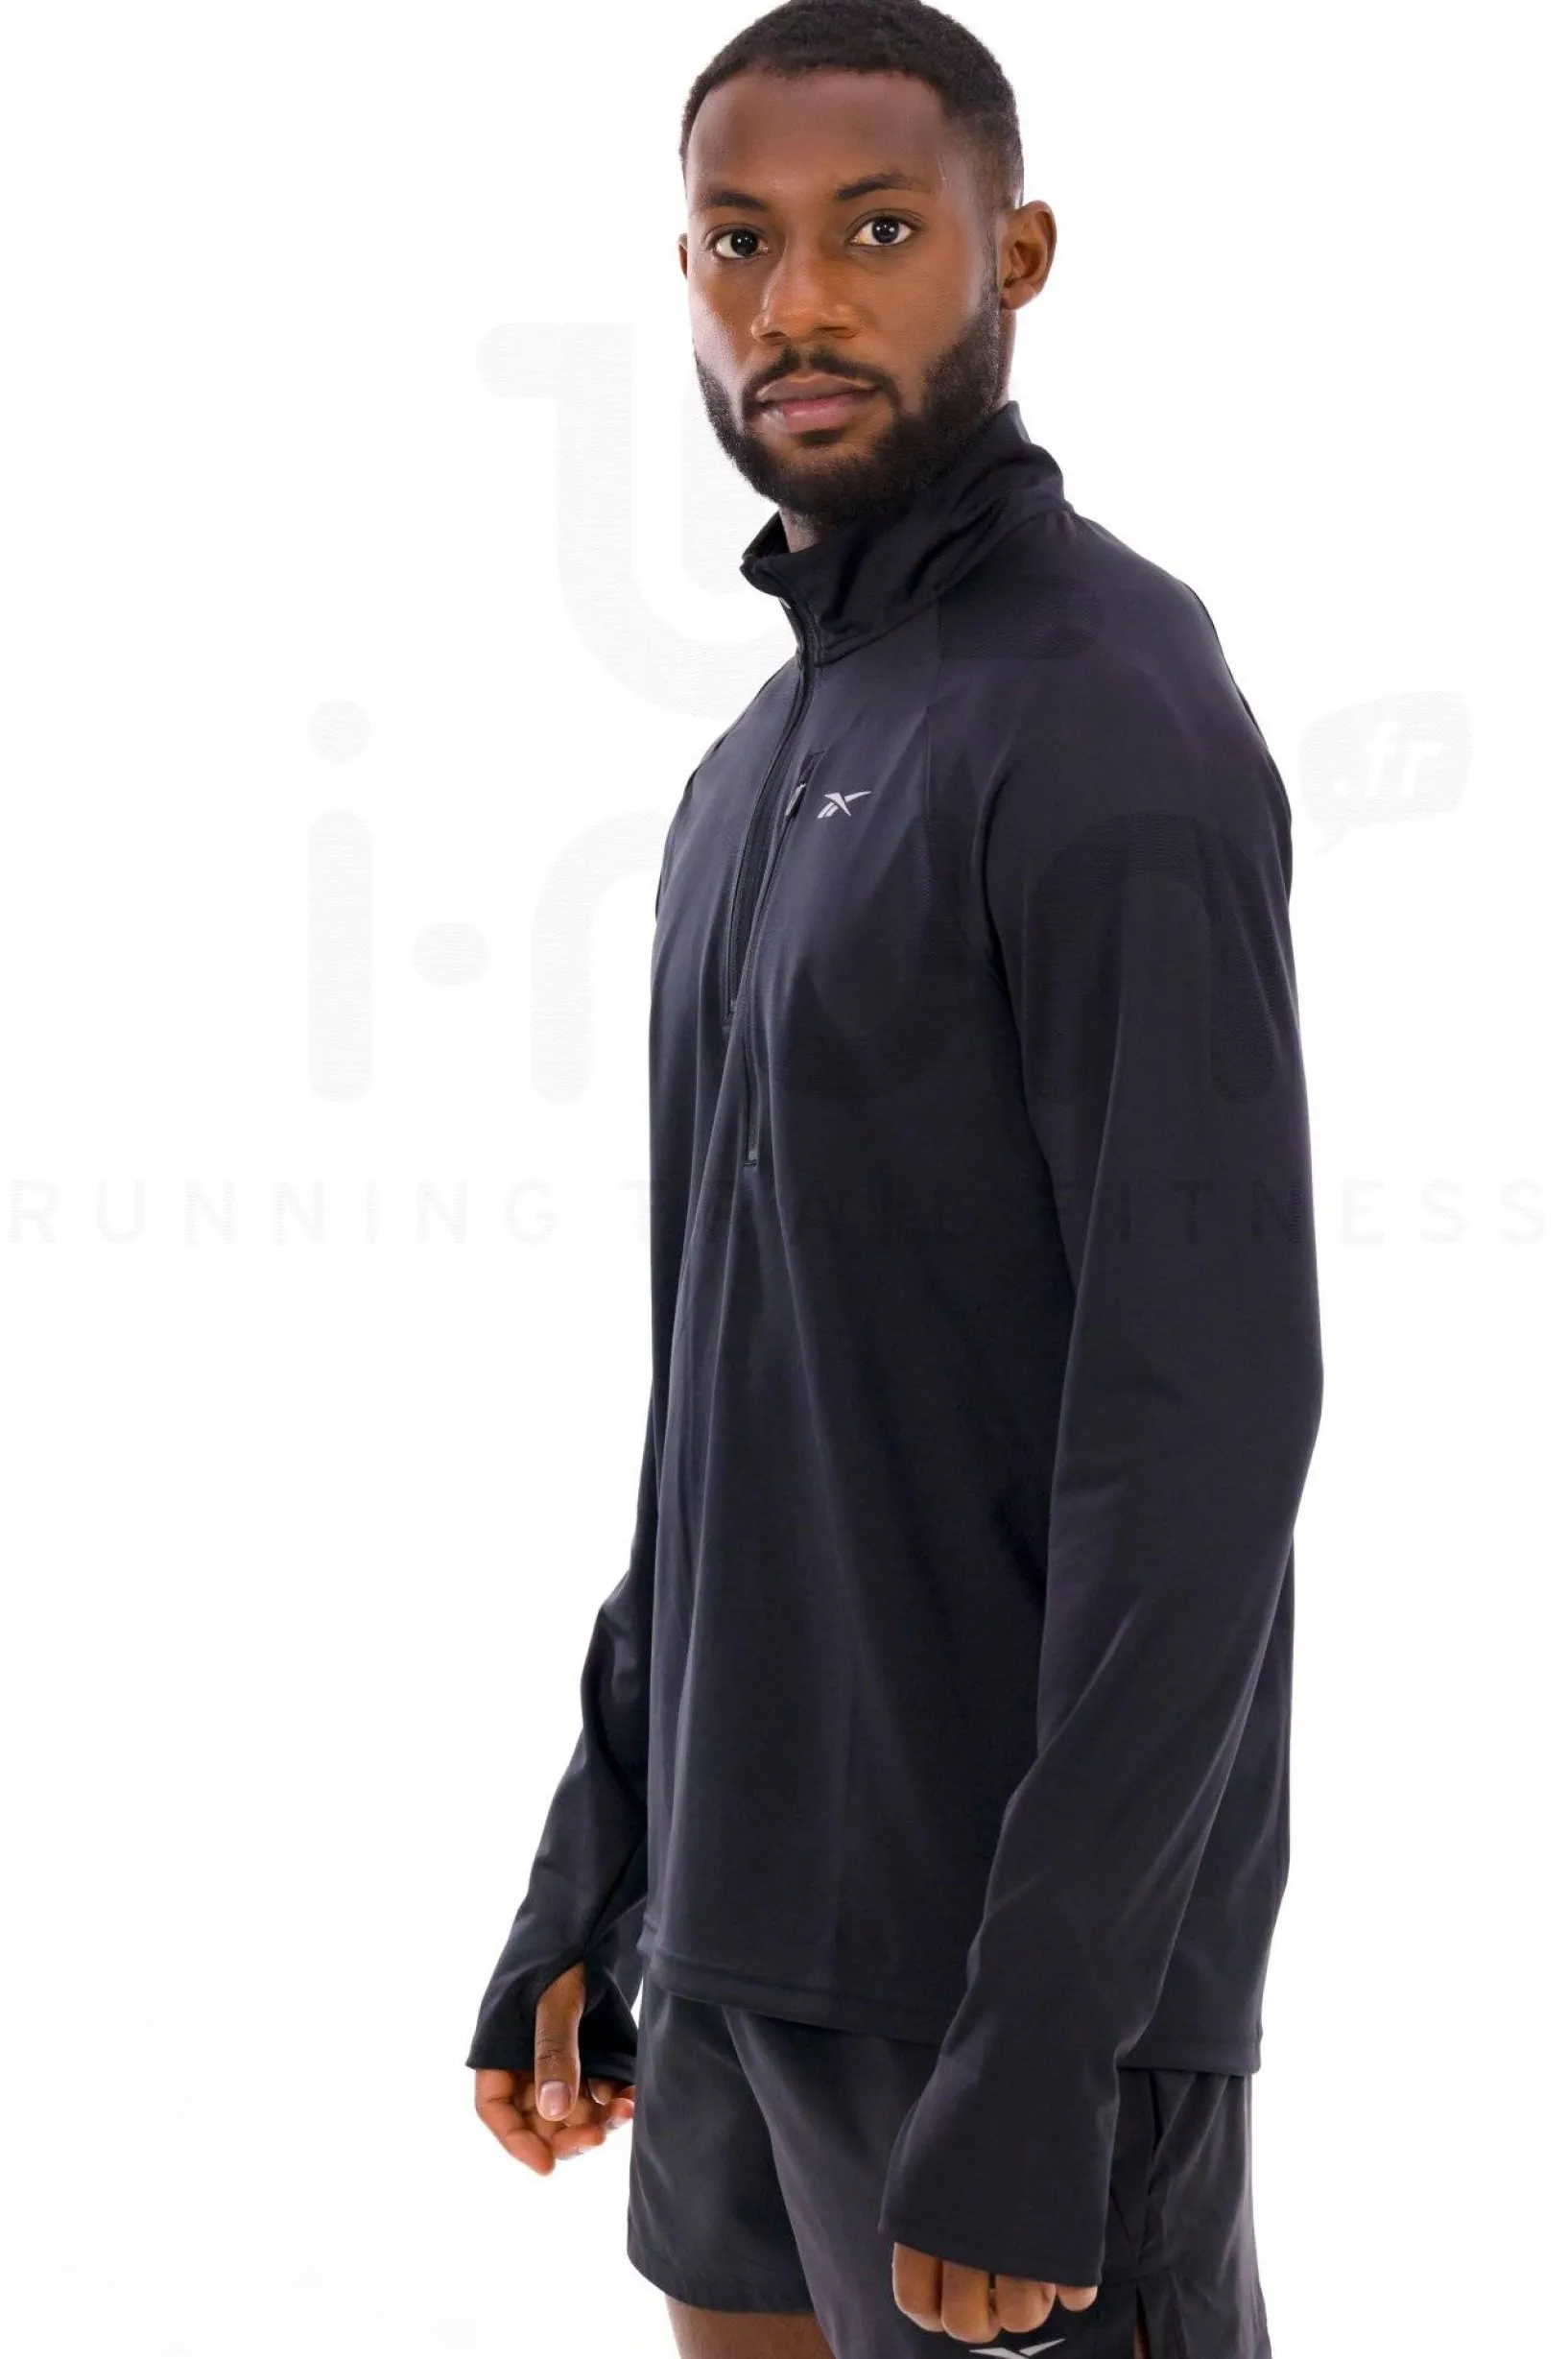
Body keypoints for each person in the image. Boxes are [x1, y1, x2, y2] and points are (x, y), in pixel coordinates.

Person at [467, 4, 1323, 2354]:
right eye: (737, 244)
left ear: (1010, 254)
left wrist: (1051, 2020)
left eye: (871, 234)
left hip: (1000, 1981)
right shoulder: (753, 763)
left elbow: (1205, 1422)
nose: (794, 306)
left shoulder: (1111, 709)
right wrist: (597, 1852)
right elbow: (734, 1384)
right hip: (734, 1939)